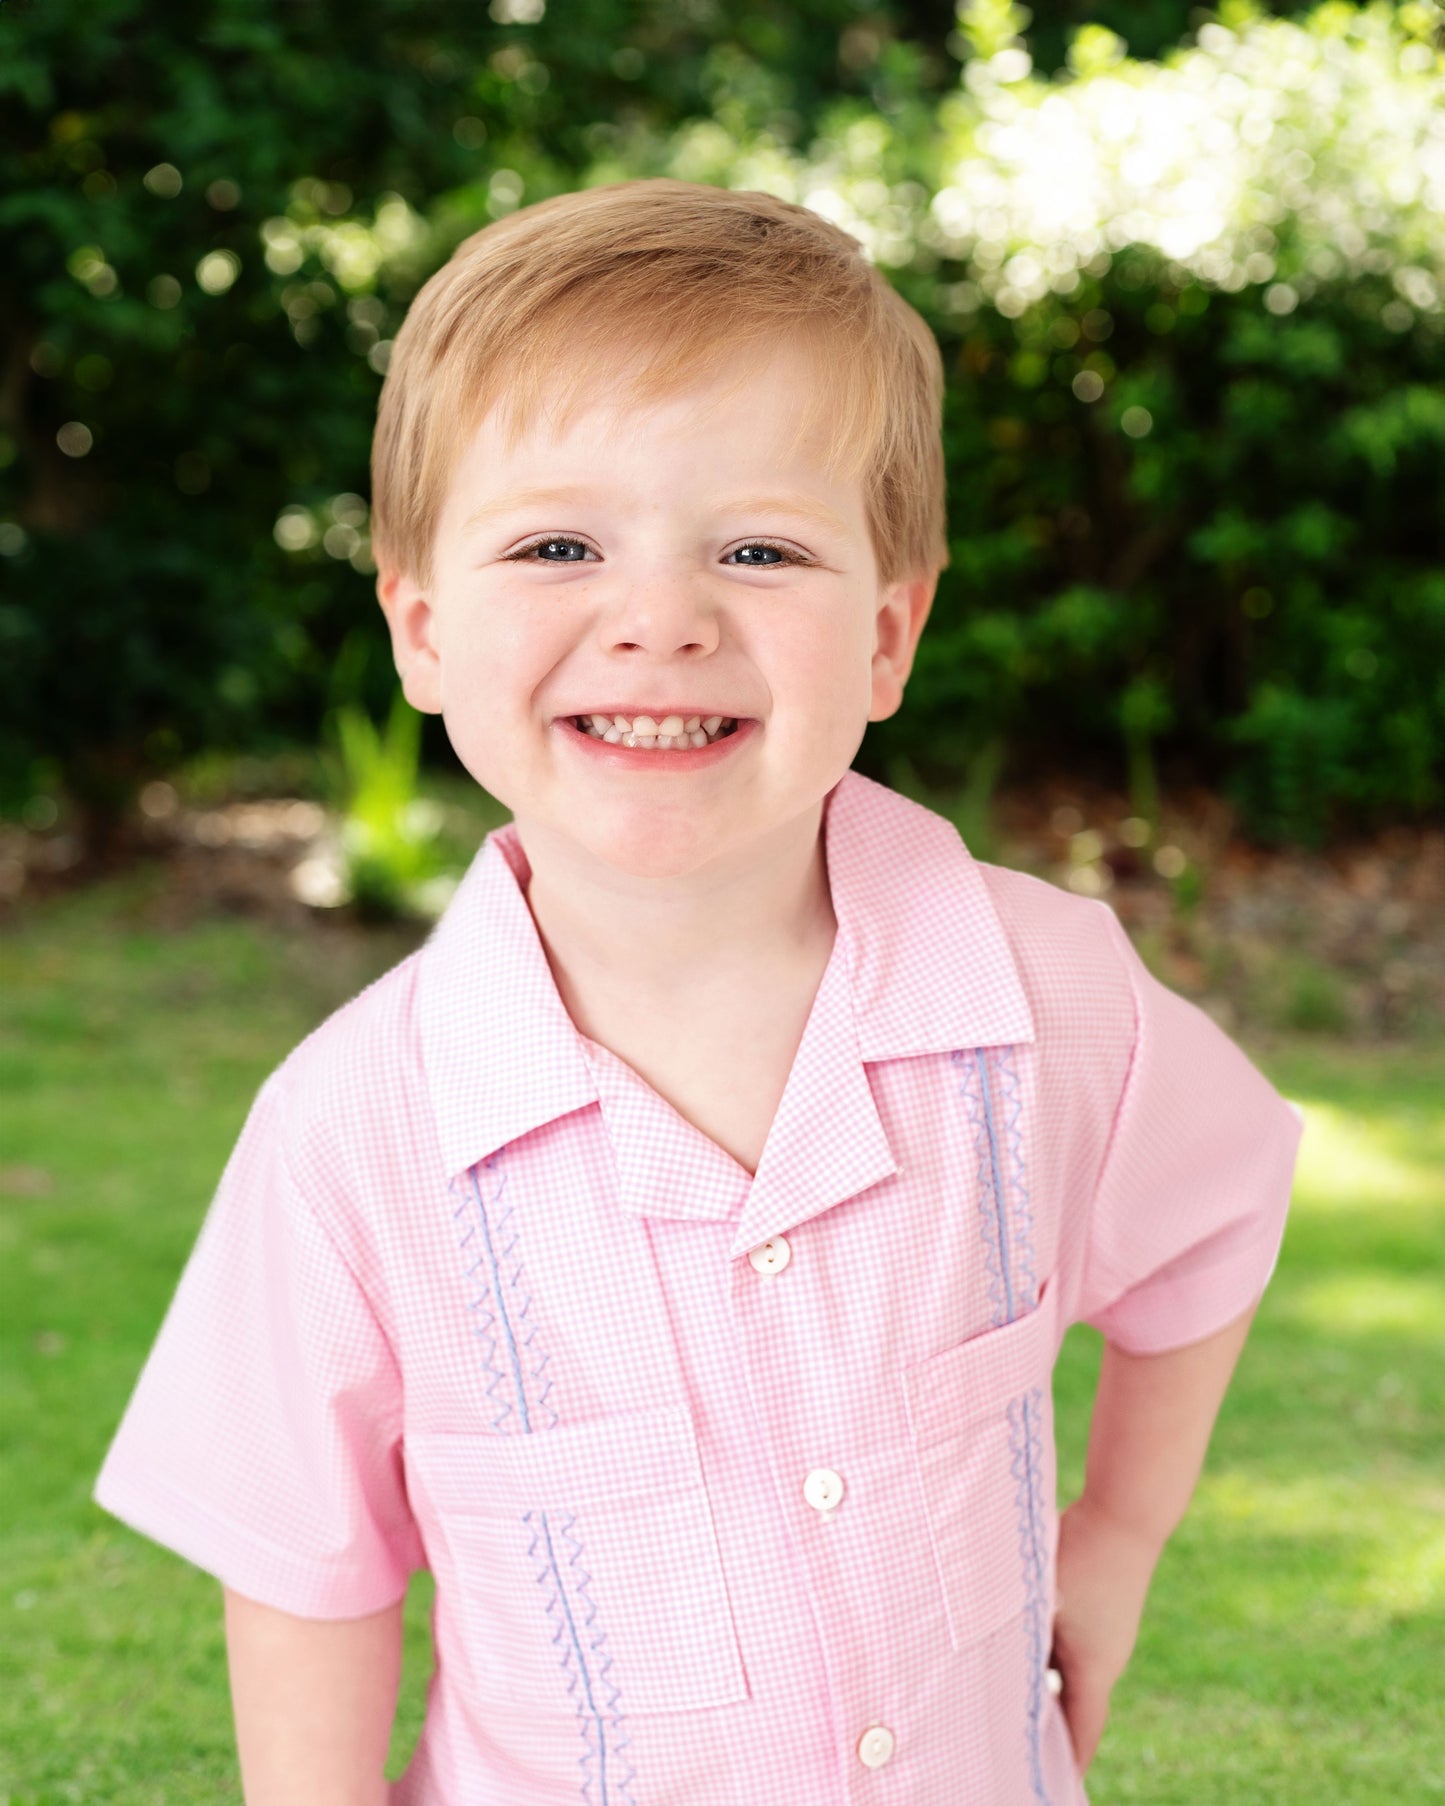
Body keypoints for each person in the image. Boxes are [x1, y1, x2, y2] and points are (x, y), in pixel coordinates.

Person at [95, 179, 1303, 1806]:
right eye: (556, 544)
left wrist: (1119, 1534)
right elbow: (307, 1565)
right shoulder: (351, 1132)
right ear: (424, 627)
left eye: (755, 546)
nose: (659, 620)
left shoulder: (1041, 999)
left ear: (885, 636)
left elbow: (1213, 1208)